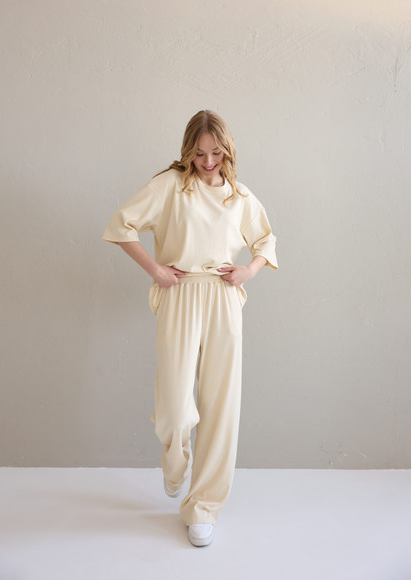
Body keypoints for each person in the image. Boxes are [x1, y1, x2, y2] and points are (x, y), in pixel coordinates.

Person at [102, 110, 278, 547]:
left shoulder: (239, 195)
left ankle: (203, 507)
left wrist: (248, 271)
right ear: (188, 151)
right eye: (200, 154)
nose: (208, 162)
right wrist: (155, 269)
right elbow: (122, 224)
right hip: (180, 293)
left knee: (221, 405)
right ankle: (175, 457)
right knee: (175, 405)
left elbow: (265, 240)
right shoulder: (170, 185)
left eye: (216, 153)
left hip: (223, 296)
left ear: (228, 150)